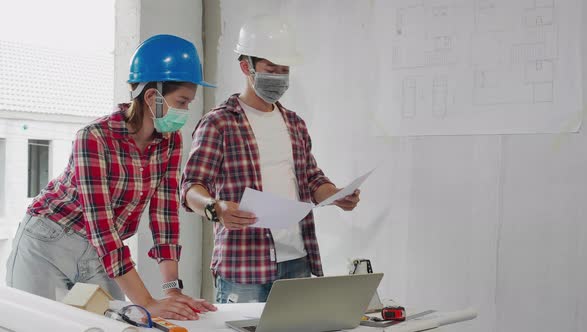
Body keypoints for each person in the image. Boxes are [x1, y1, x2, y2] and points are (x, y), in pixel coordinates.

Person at [5, 34, 217, 320]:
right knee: (38, 324)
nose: (186, 111)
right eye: (182, 101)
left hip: (99, 251)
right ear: (153, 97)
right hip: (48, 242)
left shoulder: (170, 141)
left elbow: (164, 215)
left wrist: (171, 290)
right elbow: (102, 226)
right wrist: (146, 301)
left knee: (115, 325)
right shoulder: (94, 137)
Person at [181, 15, 361, 303]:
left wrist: (337, 195)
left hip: (297, 260)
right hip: (243, 267)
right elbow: (191, 188)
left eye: (284, 69)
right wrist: (216, 208)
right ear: (246, 66)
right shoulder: (218, 123)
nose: (278, 76)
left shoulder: (294, 124)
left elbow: (312, 179)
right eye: (271, 68)